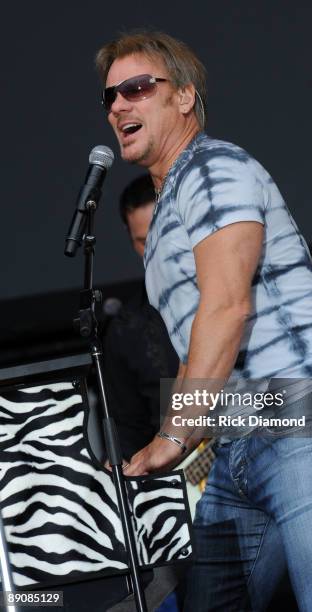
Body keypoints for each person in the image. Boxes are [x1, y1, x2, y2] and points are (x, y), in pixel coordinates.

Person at [96, 31, 312, 611]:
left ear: (184, 97)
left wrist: (174, 434)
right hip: (240, 432)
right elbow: (202, 336)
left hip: (299, 410)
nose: (119, 104)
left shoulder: (212, 168)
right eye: (110, 97)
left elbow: (228, 307)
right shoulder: (170, 204)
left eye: (138, 87)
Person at [103, 173, 178, 460]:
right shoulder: (126, 328)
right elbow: (128, 432)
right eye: (143, 242)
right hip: (185, 485)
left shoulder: (233, 293)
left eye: (163, 236)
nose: (155, 252)